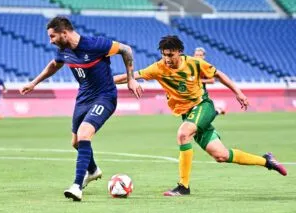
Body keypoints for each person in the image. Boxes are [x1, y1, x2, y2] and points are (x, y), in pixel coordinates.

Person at [113, 35, 287, 196]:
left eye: (171, 55)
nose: (167, 59)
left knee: (183, 133)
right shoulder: (158, 68)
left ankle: (183, 186)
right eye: (164, 55)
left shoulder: (195, 63)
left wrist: (239, 92)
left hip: (202, 106)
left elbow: (218, 74)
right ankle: (267, 161)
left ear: (179, 52)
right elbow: (132, 76)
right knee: (221, 155)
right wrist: (104, 81)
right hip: (188, 113)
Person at [20, 16, 143, 201]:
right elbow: (55, 64)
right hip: (83, 98)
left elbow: (126, 49)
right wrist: (34, 83)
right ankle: (93, 170)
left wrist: (131, 78)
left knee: (85, 133)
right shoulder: (64, 50)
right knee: (76, 142)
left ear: (64, 33)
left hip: (105, 96)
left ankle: (77, 186)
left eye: (52, 36)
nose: (50, 41)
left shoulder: (96, 44)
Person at [193, 47, 225, 115]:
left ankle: (217, 110)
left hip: (201, 93)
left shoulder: (206, 67)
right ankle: (217, 110)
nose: (198, 57)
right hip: (191, 93)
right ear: (193, 55)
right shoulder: (190, 66)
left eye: (200, 55)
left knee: (203, 115)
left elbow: (212, 80)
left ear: (204, 56)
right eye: (196, 55)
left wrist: (200, 80)